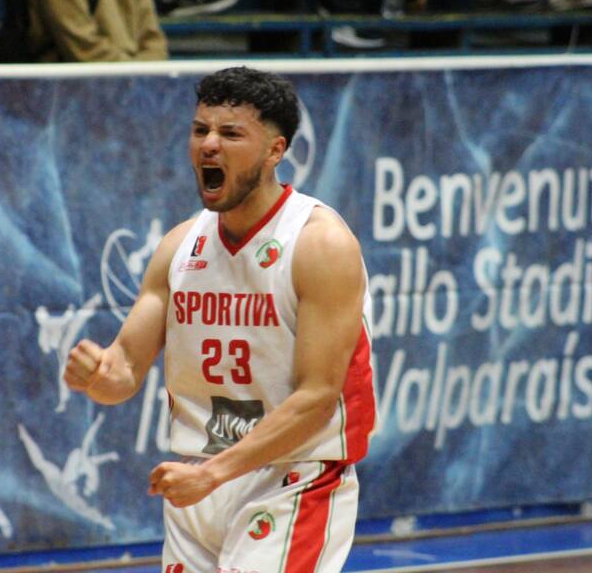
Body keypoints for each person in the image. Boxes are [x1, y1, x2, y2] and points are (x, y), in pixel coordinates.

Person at [65, 66, 376, 572]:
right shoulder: (179, 246)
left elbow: (318, 397)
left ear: (275, 151)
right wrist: (96, 375)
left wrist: (213, 475)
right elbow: (124, 370)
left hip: (293, 478)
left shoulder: (319, 243)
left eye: (231, 134)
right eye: (200, 130)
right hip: (197, 480)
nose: (209, 144)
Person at [23, 0, 168, 62]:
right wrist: (138, 73)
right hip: (70, 95)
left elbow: (154, 40)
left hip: (131, 88)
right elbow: (85, 50)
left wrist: (147, 72)